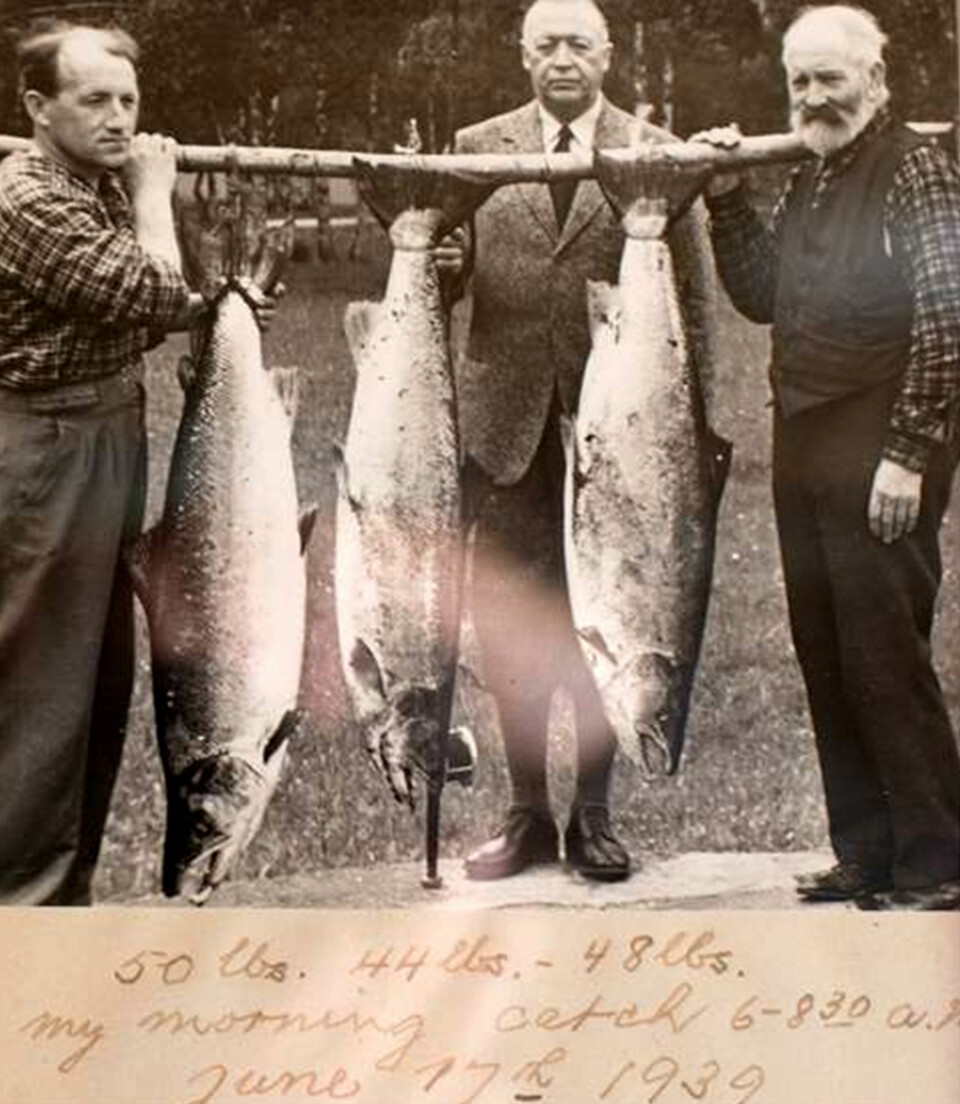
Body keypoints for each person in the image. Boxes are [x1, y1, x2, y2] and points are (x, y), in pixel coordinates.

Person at [438, 0, 717, 882]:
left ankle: (594, 815)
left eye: (578, 44)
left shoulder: (654, 150)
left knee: (615, 617)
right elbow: (442, 276)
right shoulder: (477, 145)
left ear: (608, 55)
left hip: (627, 435)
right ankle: (526, 815)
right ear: (523, 56)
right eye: (545, 45)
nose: (562, 59)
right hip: (508, 426)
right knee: (515, 620)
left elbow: (695, 302)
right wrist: (443, 269)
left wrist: (694, 431)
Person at [696, 5, 960, 909]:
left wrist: (909, 453)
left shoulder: (915, 170)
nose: (812, 97)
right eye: (799, 82)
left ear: (875, 83)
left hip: (881, 441)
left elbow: (947, 317)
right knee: (826, 648)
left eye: (830, 79)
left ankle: (938, 860)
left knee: (884, 650)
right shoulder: (810, 175)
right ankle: (866, 852)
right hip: (802, 438)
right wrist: (729, 197)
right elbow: (765, 294)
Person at [0, 21, 205, 905]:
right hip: (45, 451)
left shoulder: (89, 185)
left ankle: (64, 894)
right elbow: (155, 291)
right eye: (96, 101)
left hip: (109, 436)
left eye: (129, 100)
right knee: (43, 690)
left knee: (97, 684)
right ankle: (21, 912)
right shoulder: (26, 199)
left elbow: (147, 316)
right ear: (37, 107)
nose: (120, 119)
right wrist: (157, 193)